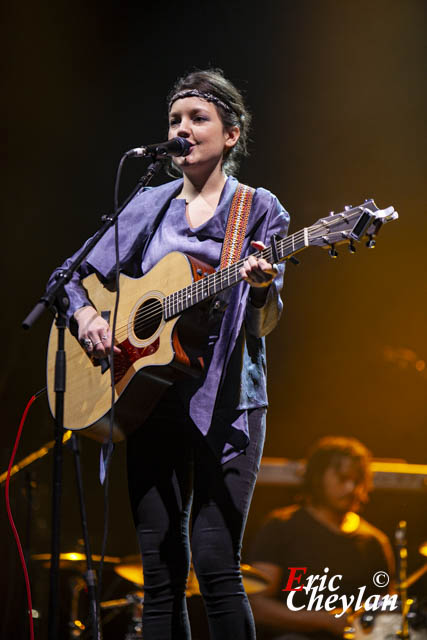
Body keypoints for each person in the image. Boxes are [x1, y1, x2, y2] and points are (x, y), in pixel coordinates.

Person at [46, 69, 290, 639]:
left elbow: (266, 320)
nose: (183, 130)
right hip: (149, 397)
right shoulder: (150, 203)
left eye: (197, 119)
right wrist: (86, 316)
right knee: (159, 575)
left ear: (231, 134)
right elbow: (67, 276)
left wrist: (259, 285)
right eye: (175, 120)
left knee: (216, 567)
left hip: (226, 398)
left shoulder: (256, 208)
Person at [249, 437, 395, 640]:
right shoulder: (281, 527)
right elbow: (256, 605)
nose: (351, 488)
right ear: (318, 476)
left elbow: (384, 606)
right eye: (343, 478)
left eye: (358, 480)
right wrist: (324, 620)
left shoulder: (374, 541)